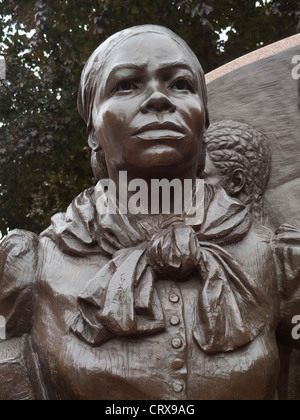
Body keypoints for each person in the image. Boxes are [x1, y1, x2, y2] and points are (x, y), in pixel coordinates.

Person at [0, 25, 299, 400]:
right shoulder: (32, 267)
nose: (159, 98)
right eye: (126, 85)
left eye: (180, 84)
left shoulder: (276, 258)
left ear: (203, 120)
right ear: (92, 129)